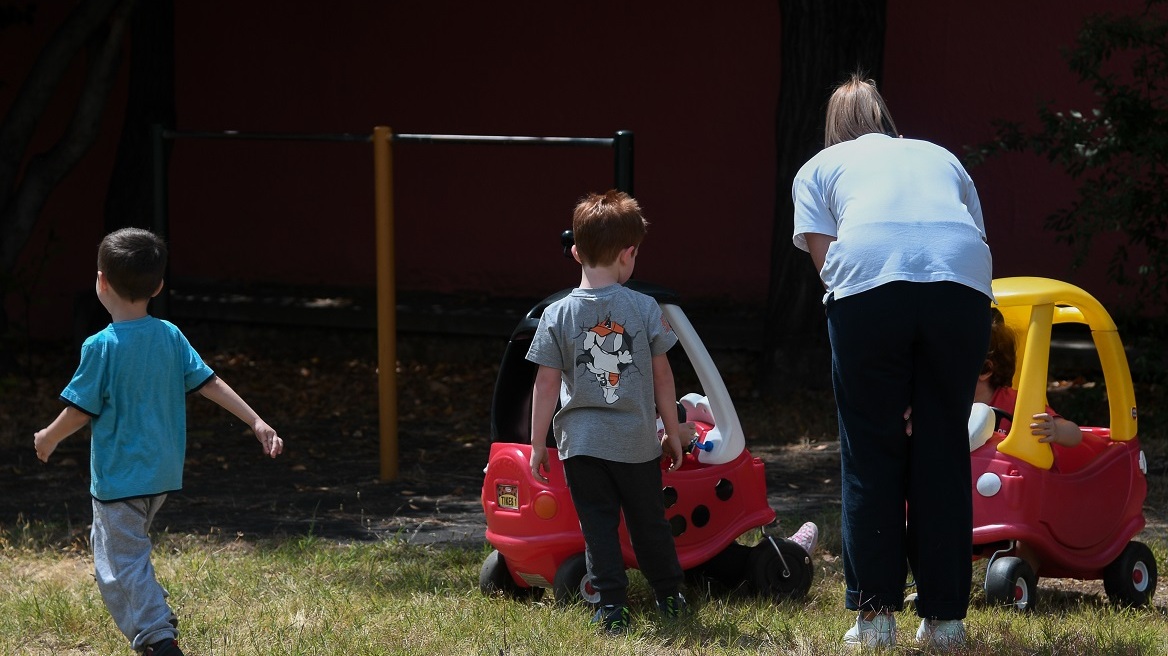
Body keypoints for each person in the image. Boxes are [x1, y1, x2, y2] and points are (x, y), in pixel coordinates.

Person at [791, 74, 993, 651]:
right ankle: (946, 622)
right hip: (961, 290)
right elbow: (967, 243)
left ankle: (876, 621)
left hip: (871, 293)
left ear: (835, 128)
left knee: (871, 452)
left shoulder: (819, 167)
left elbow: (832, 268)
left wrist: (887, 383)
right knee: (943, 447)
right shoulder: (942, 157)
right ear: (885, 118)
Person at [33, 228, 284, 656]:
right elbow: (211, 383)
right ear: (159, 286)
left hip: (119, 479)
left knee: (120, 566)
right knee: (115, 552)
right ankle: (155, 614)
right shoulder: (169, 334)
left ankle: (156, 638)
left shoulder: (102, 346)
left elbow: (79, 410)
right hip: (161, 474)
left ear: (101, 282)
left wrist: (48, 438)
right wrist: (256, 421)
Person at [526, 190, 687, 633]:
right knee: (648, 522)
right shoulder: (643, 307)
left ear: (576, 252)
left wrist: (538, 444)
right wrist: (672, 432)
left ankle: (611, 608)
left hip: (581, 447)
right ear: (628, 253)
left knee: (597, 527)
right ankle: (670, 595)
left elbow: (545, 384)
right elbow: (663, 378)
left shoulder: (555, 315)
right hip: (636, 443)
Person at [976, 308, 1084, 449]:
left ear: (986, 369)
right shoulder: (949, 405)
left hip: (1015, 470)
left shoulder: (1017, 404)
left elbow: (1075, 435)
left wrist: (1056, 430)